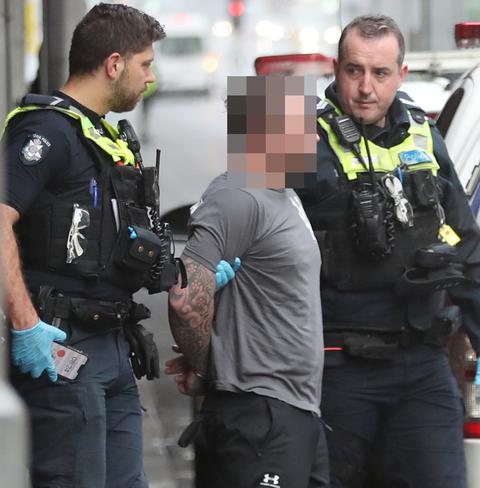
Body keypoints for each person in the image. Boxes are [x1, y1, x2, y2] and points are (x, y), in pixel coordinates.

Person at [296, 14, 480, 488]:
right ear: (336, 68)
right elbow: (239, 228)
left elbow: (464, 238)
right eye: (354, 71)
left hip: (420, 363)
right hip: (335, 370)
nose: (366, 88)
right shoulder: (290, 129)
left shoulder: (422, 133)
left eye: (381, 73)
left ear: (402, 74)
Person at [0, 4, 168, 487]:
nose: (150, 78)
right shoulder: (46, 130)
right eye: (145, 64)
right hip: (61, 348)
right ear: (114, 64)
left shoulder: (101, 134)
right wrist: (26, 325)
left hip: (112, 345)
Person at [165, 75, 329, 488]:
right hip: (259, 414)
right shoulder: (238, 196)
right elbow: (186, 299)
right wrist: (206, 369)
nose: (313, 137)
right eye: (304, 126)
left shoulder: (283, 193)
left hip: (295, 411)